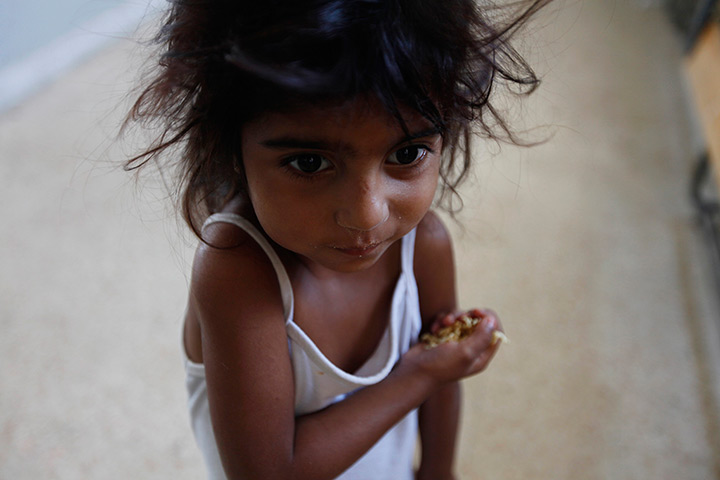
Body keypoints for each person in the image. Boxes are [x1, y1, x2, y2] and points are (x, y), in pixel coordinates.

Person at [123, 0, 548, 478]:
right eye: (309, 163)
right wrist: (423, 372)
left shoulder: (424, 244)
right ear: (232, 147)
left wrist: (438, 471)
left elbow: (442, 389)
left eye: (407, 153)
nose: (367, 215)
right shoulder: (237, 272)